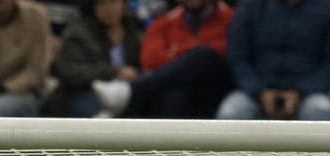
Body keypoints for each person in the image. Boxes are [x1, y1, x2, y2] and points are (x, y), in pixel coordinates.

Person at [84, 0, 235, 119]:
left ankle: (130, 93)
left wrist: (183, 59)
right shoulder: (165, 23)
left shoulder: (231, 18)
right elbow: (151, 61)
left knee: (204, 55)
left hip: (223, 85)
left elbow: (232, 55)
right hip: (180, 90)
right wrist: (185, 64)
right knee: (174, 96)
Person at [215, 0, 330, 121]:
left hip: (310, 93)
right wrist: (259, 91)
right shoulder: (250, 5)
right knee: (231, 113)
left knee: (319, 110)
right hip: (255, 91)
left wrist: (301, 92)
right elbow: (238, 58)